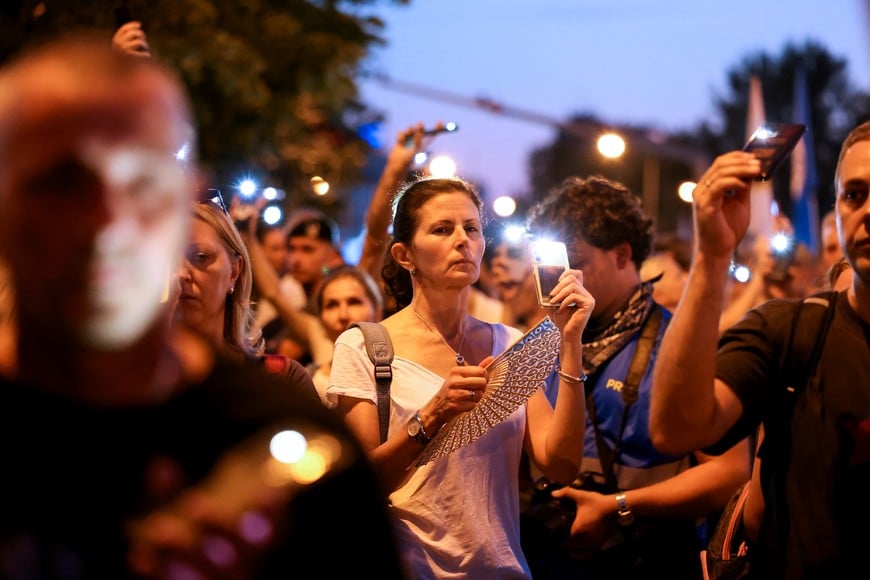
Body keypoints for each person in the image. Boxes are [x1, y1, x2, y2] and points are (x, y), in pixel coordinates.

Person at [0, 35, 404, 579]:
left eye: (141, 183)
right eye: (63, 182)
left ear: (182, 198)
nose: (107, 222)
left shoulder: (289, 447)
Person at [328, 176, 593, 578]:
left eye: (471, 228)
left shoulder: (508, 342)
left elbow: (560, 465)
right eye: (441, 229)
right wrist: (433, 415)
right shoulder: (365, 347)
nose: (462, 240)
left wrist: (569, 343)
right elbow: (356, 487)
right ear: (405, 255)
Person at [649, 122, 870, 578]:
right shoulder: (789, 331)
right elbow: (675, 429)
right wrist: (712, 255)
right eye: (855, 194)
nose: (868, 210)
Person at [522, 175, 750, 579]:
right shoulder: (538, 343)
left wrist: (618, 506)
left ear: (623, 255)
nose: (563, 278)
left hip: (651, 559)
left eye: (576, 261)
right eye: (554, 263)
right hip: (549, 560)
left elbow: (730, 472)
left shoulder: (678, 347)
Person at [172, 199, 317, 393]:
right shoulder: (127, 387)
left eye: (200, 257)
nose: (180, 273)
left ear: (234, 272)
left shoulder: (282, 381)